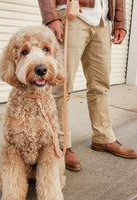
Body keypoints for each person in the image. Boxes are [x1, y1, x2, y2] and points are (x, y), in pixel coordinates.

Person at [38, 0, 137, 171]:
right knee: (61, 86)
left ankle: (102, 136)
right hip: (73, 15)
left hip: (103, 20)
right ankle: (61, 144)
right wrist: (51, 18)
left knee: (101, 85)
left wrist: (120, 22)